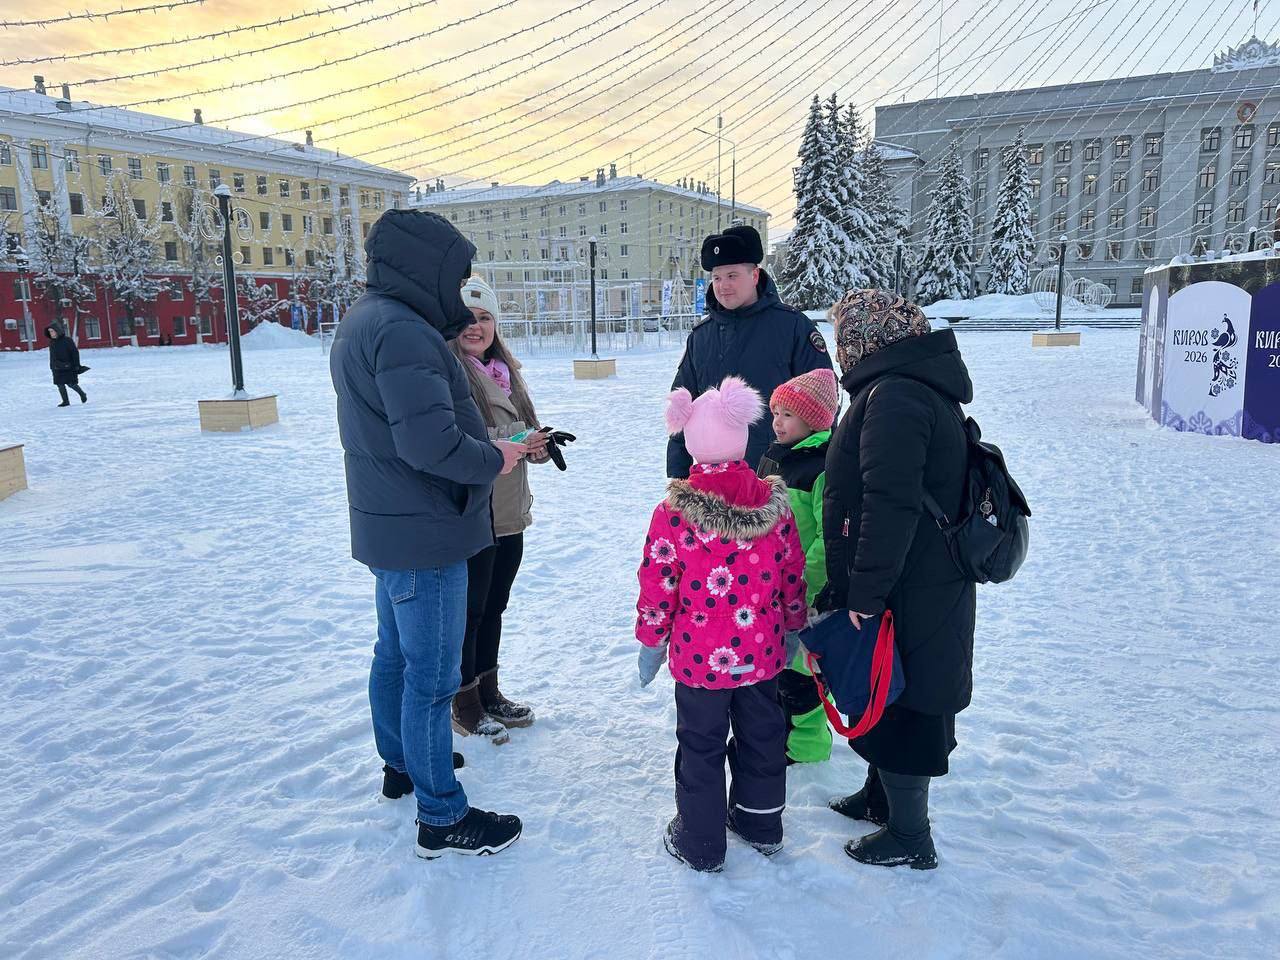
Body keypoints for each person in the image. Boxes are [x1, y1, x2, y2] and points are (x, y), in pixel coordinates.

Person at [330, 208, 528, 860]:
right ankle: (442, 814)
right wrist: (496, 457)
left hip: (392, 525)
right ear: (428, 269)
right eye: (456, 274)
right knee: (433, 675)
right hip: (426, 531)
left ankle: (403, 765)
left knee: (394, 654)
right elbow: (430, 445)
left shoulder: (367, 318)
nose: (459, 290)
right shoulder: (404, 332)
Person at [817, 289, 976, 871]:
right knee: (883, 687)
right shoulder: (906, 385)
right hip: (917, 577)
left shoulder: (897, 395)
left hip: (911, 584)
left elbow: (890, 503)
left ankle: (910, 836)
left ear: (866, 339)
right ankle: (880, 797)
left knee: (904, 696)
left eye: (844, 337)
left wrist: (865, 592)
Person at [636, 376, 808, 873]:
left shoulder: (673, 513)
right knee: (762, 736)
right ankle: (760, 823)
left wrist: (651, 641)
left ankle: (700, 841)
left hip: (698, 660)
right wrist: (793, 626)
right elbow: (791, 573)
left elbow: (658, 582)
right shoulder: (774, 507)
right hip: (761, 653)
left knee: (701, 744)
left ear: (690, 440)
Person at [448, 276, 546, 743]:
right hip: (474, 511)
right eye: (467, 317)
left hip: (509, 512)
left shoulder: (506, 371)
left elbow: (524, 427)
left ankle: (489, 692)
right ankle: (464, 703)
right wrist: (516, 440)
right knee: (471, 612)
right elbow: (454, 439)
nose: (476, 326)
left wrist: (540, 444)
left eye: (485, 317)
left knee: (495, 607)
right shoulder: (450, 371)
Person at [666, 224, 831, 479]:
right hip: (714, 482)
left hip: (780, 480)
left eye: (732, 275)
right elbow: (682, 408)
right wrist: (679, 475)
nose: (723, 286)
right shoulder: (701, 337)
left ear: (754, 275)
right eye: (717, 278)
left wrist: (815, 469)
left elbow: (823, 403)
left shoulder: (792, 327)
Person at [755, 367, 839, 764]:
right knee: (776, 668)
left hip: (803, 592)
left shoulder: (823, 467)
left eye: (788, 414)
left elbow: (828, 535)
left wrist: (808, 584)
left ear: (813, 420)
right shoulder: (773, 458)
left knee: (804, 673)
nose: (777, 421)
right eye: (776, 412)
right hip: (769, 586)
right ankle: (782, 735)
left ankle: (808, 748)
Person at [45, 326, 87, 406]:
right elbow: (52, 356)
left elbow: (75, 353)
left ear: (57, 331)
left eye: (52, 331)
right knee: (59, 384)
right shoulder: (52, 342)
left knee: (70, 383)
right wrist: (51, 366)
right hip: (56, 367)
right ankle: (65, 401)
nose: (51, 333)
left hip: (67, 366)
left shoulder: (67, 340)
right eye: (49, 331)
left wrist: (77, 365)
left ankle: (82, 394)